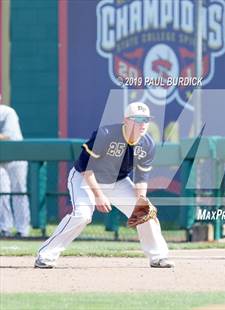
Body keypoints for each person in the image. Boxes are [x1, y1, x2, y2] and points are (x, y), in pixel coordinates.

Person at [34, 101, 174, 268]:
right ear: (126, 120)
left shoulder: (148, 144)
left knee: (145, 213)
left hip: (117, 181)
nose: (142, 124)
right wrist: (99, 195)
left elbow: (141, 179)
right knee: (83, 215)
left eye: (146, 119)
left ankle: (158, 257)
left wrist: (141, 200)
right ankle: (45, 255)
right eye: (137, 119)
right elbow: (87, 170)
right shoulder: (106, 134)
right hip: (84, 178)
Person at [0, 97, 31, 238]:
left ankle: (22, 229)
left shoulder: (7, 112)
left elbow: (6, 136)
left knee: (19, 192)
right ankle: (4, 227)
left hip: (16, 158)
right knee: (2, 192)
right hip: (1, 159)